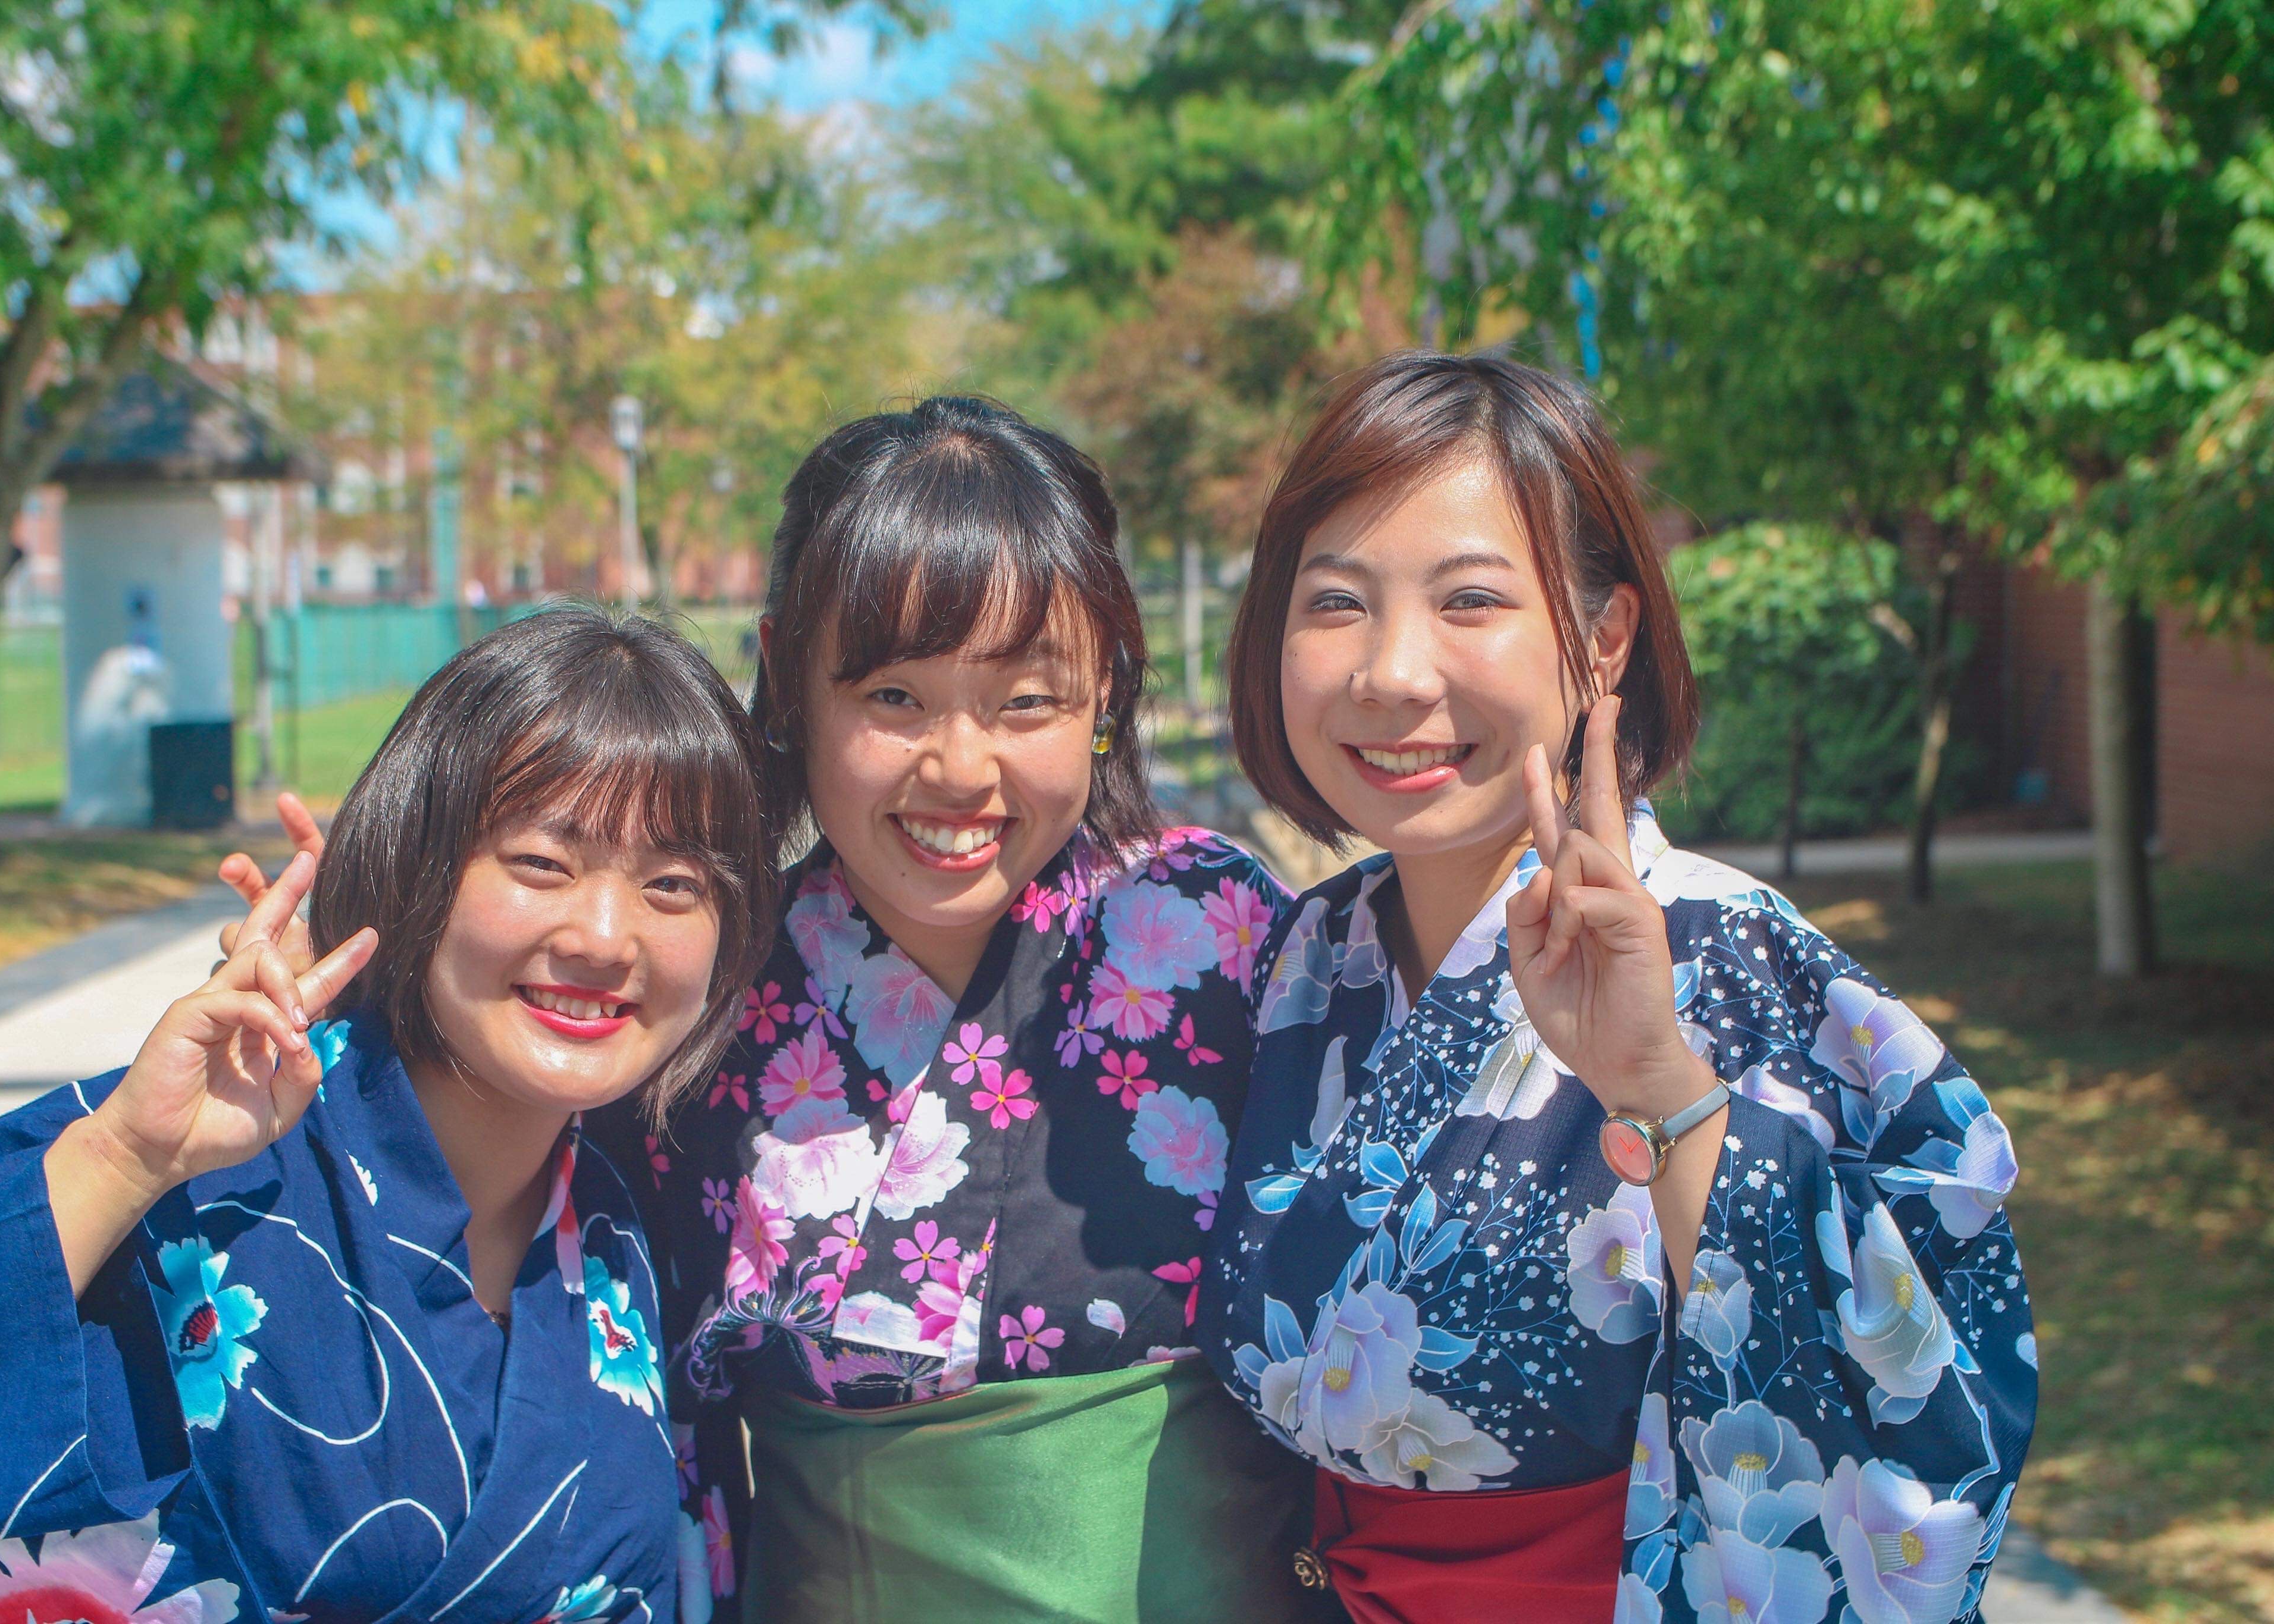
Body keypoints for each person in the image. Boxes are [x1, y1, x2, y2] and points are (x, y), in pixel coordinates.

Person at [1199, 352, 2035, 1623]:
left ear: (1600, 642)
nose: (1390, 673)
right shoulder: (1306, 961)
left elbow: (1923, 1393)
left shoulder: (1733, 957)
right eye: (1334, 603)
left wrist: (1659, 1085)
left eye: (1468, 600)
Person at [0, 607, 773, 1624]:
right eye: (542, 862)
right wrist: (121, 1159)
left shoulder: (630, 1226)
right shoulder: (191, 1139)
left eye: (674, 884)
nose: (606, 935)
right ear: (420, 864)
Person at [625, 396, 1323, 1621]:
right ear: (787, 680)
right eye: (893, 698)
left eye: (1025, 702)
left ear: (1104, 688)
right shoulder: (703, 987)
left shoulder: (1223, 937)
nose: (959, 768)